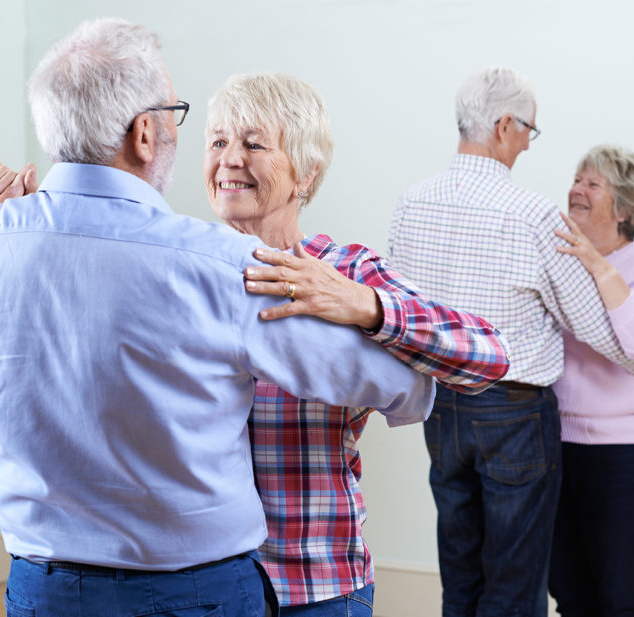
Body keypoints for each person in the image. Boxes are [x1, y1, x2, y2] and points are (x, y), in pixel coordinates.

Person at [0, 18, 436, 617]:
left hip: (45, 591)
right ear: (143, 134)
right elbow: (403, 387)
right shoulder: (220, 266)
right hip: (197, 595)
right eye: (176, 116)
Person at [199, 72, 508, 615]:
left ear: (306, 172)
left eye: (253, 143)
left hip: (317, 582)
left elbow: (487, 355)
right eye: (218, 141)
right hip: (206, 585)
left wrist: (364, 305)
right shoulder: (187, 269)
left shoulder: (345, 270)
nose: (229, 158)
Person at [387, 66, 634, 617]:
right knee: (516, 582)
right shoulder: (531, 215)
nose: (528, 146)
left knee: (461, 570)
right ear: (506, 125)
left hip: (441, 406)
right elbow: (596, 329)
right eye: (529, 132)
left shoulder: (411, 202)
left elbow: (399, 306)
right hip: (512, 413)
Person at [548, 146, 634, 617]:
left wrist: (597, 264)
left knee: (623, 598)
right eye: (577, 178)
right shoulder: (560, 261)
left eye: (592, 184)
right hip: (558, 447)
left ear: (624, 210)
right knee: (571, 594)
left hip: (627, 456)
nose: (577, 188)